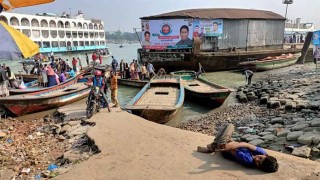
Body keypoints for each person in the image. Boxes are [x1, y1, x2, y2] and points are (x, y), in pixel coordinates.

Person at [197, 123, 279, 173]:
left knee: (230, 126)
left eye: (258, 162)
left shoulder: (248, 160)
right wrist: (235, 143)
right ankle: (212, 146)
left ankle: (213, 146)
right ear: (266, 155)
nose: (257, 159)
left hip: (226, 149)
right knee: (228, 132)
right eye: (260, 158)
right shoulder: (263, 153)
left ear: (260, 167)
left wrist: (228, 143)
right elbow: (246, 145)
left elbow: (230, 149)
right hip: (234, 144)